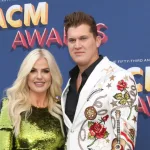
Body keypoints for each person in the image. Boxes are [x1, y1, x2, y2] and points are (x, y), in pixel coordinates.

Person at [61, 11, 138, 150]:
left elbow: (124, 142)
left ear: (97, 41)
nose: (77, 45)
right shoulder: (70, 83)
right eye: (72, 40)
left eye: (83, 38)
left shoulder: (120, 78)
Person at [0, 48, 65, 150]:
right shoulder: (10, 107)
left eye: (45, 71)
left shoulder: (62, 108)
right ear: (26, 75)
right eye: (33, 71)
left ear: (52, 75)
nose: (39, 76)